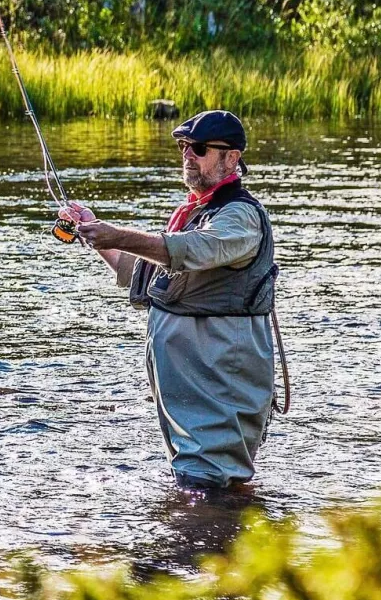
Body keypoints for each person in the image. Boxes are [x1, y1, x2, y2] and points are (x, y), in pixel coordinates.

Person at [62, 110, 280, 489]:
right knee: (204, 488)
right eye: (183, 147)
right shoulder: (192, 215)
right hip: (191, 398)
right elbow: (142, 273)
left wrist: (118, 235)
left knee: (209, 491)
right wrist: (94, 231)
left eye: (198, 148)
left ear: (231, 158)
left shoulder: (239, 218)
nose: (187, 156)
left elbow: (190, 250)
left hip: (218, 388)